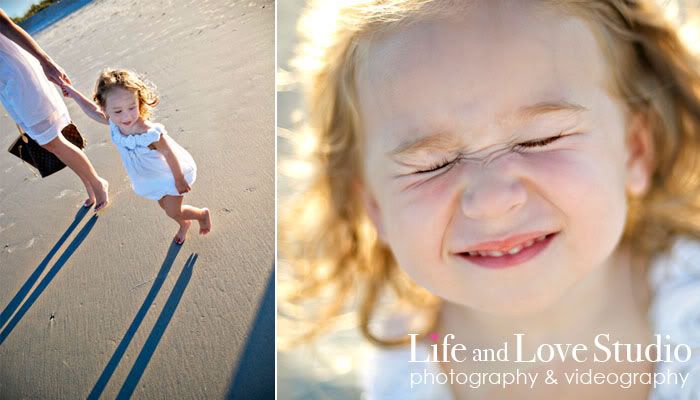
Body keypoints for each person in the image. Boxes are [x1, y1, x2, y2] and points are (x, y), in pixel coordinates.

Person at [281, 0, 700, 398]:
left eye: (542, 139)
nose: (491, 200)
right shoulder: (403, 373)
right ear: (374, 206)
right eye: (433, 164)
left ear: (636, 149)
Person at [62, 69, 211, 244]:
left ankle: (201, 215)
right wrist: (73, 94)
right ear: (105, 109)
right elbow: (92, 110)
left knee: (172, 211)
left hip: (170, 175)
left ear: (138, 101)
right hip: (151, 178)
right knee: (164, 206)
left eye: (132, 107)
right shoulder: (115, 124)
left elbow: (169, 153)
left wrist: (179, 179)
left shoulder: (148, 132)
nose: (126, 116)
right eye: (118, 111)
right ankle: (184, 223)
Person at [0, 9, 109, 211]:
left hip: (20, 74)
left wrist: (46, 61)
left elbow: (7, 25)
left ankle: (97, 182)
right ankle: (89, 182)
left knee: (51, 139)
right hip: (7, 85)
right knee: (50, 141)